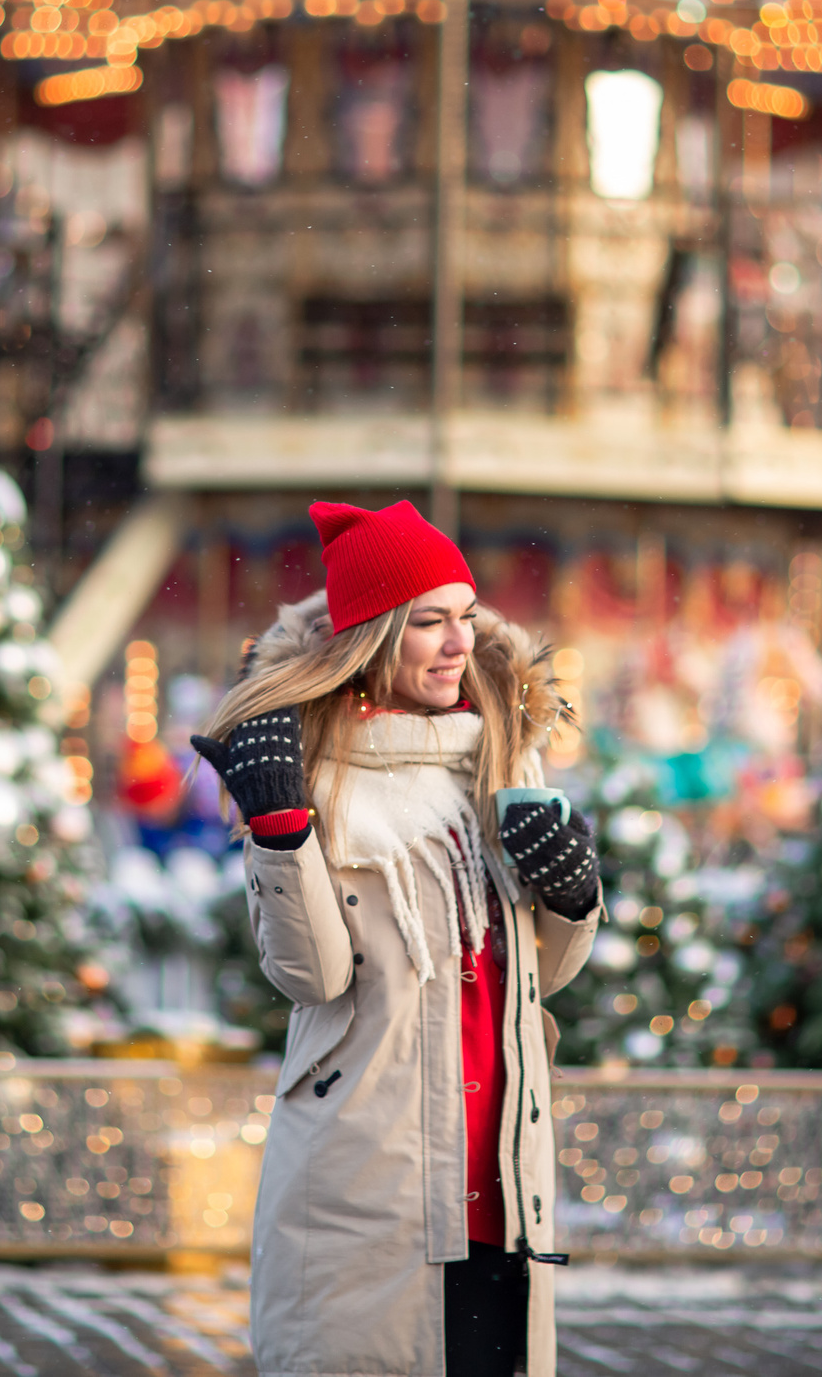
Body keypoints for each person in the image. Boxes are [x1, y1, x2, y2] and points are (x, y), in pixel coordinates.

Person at [191, 500, 602, 1377]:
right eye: (429, 621)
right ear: (372, 636)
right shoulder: (316, 770)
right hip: (367, 1188)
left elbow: (540, 981)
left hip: (503, 1192)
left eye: (466, 614)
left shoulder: (499, 762)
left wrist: (574, 897)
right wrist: (281, 830)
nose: (461, 642)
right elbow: (312, 975)